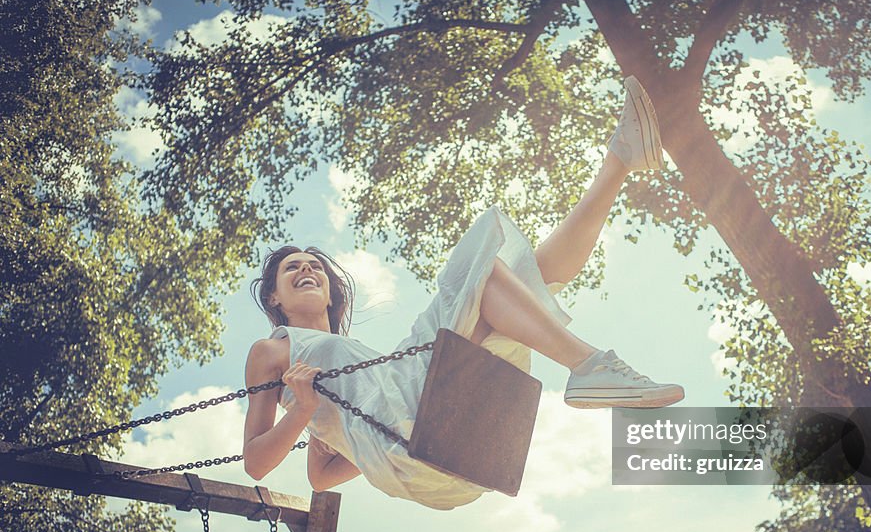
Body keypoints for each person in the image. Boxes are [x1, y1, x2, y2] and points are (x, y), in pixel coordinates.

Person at [243, 76, 684, 509]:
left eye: (314, 265)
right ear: (274, 298)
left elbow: (321, 474)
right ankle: (591, 366)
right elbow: (258, 464)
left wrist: (337, 426)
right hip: (414, 440)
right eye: (291, 268)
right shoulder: (273, 351)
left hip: (445, 444)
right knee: (476, 271)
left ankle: (620, 161)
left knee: (524, 280)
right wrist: (302, 412)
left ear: (331, 292)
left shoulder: (354, 360)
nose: (306, 269)